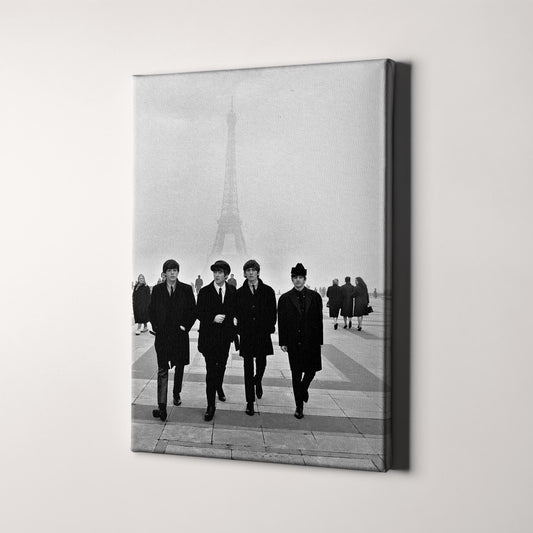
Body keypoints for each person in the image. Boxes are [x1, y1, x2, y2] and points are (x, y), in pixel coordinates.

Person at [148, 259, 196, 422]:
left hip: (179, 335)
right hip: (162, 336)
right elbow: (151, 309)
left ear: (178, 272)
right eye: (169, 270)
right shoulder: (157, 290)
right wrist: (156, 326)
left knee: (180, 366)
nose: (172, 273)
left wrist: (185, 326)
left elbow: (193, 311)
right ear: (165, 273)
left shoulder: (186, 289)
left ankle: (176, 393)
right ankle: (162, 406)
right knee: (162, 369)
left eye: (175, 270)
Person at [278, 263, 323, 419]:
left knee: (311, 371)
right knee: (296, 374)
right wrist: (283, 341)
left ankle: (303, 389)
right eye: (295, 278)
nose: (297, 280)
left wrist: (320, 340)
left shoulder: (315, 297)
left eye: (300, 278)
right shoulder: (284, 298)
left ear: (305, 279)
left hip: (311, 340)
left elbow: (319, 320)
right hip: (294, 341)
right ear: (292, 279)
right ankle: (299, 406)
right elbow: (281, 322)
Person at [197, 260, 237, 421]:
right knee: (210, 371)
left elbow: (236, 309)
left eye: (220, 272)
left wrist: (235, 321)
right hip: (209, 338)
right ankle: (210, 405)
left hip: (225, 338)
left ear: (226, 275)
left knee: (222, 366)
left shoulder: (232, 291)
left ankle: (219, 386)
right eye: (215, 272)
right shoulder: (205, 291)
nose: (217, 275)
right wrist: (212, 318)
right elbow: (198, 312)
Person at [235, 259, 277, 416]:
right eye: (248, 270)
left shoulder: (268, 291)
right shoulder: (239, 293)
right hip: (246, 334)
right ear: (244, 273)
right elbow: (236, 313)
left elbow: (273, 312)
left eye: (253, 269)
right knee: (247, 367)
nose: (251, 272)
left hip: (262, 333)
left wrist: (269, 327)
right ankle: (250, 401)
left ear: (258, 272)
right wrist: (239, 328)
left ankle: (257, 380)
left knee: (261, 363)